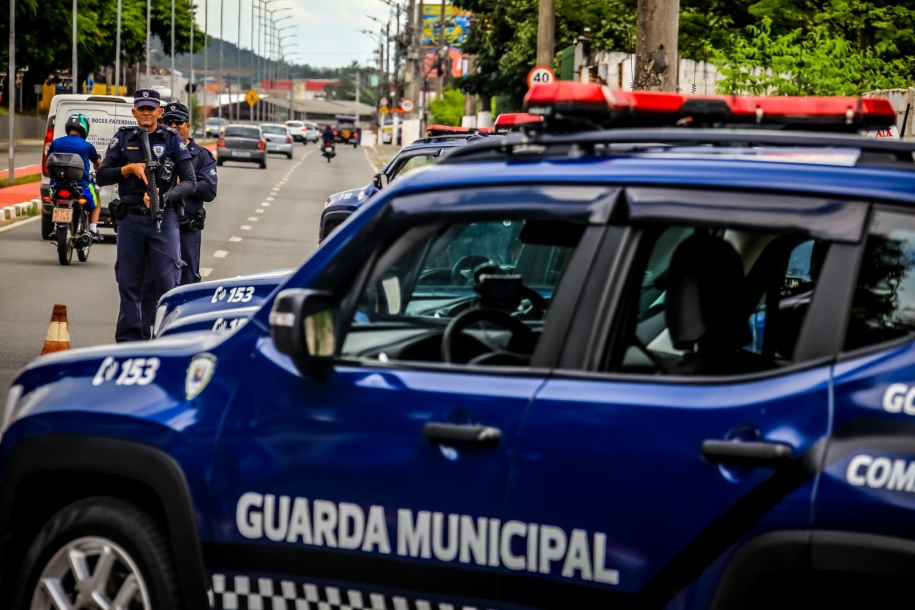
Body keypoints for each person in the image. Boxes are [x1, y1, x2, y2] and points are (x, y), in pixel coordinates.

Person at [96, 89, 197, 342]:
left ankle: (167, 338)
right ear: (134, 112)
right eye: (141, 108)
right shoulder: (123, 138)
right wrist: (128, 169)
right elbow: (102, 175)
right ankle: (131, 341)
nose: (146, 113)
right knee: (129, 283)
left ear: (159, 112)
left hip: (164, 219)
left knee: (167, 282)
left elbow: (190, 181)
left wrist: (165, 197)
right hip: (130, 220)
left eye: (151, 108)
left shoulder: (171, 139)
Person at [139, 102, 218, 333]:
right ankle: (145, 331)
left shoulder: (201, 155)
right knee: (149, 281)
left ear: (188, 125)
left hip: (186, 228)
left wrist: (185, 184)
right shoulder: (153, 151)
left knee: (187, 280)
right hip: (156, 225)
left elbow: (209, 190)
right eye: (168, 122)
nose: (173, 126)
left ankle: (184, 330)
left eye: (178, 122)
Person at [47, 114, 103, 242]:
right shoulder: (87, 146)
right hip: (81, 187)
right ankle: (93, 229)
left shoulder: (56, 142)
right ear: (84, 128)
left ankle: (55, 226)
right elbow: (100, 165)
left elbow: (48, 161)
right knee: (97, 196)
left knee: (55, 200)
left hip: (56, 185)